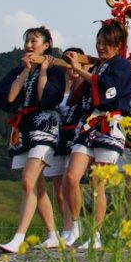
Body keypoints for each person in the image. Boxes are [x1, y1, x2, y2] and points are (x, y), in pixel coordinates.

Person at [62, 19, 131, 249]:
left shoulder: (122, 65)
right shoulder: (96, 67)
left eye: (106, 43)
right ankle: (75, 227)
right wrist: (77, 75)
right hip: (89, 124)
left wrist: (81, 71)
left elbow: (105, 88)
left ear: (118, 45)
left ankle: (95, 236)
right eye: (99, 42)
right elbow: (83, 92)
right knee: (71, 177)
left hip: (110, 124)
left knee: (97, 182)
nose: (101, 47)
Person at [0, 27, 65, 253]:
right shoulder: (17, 70)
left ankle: (19, 236)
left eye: (34, 41)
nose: (29, 45)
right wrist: (25, 72)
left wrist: (43, 71)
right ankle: (53, 234)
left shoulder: (55, 70)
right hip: (23, 127)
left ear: (46, 45)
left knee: (28, 179)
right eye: (27, 41)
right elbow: (8, 99)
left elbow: (47, 98)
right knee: (37, 184)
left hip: (45, 124)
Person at [43, 47, 87, 245]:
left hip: (75, 134)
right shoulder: (59, 86)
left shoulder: (83, 85)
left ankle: (72, 228)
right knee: (59, 191)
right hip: (57, 136)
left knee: (71, 182)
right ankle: (67, 227)